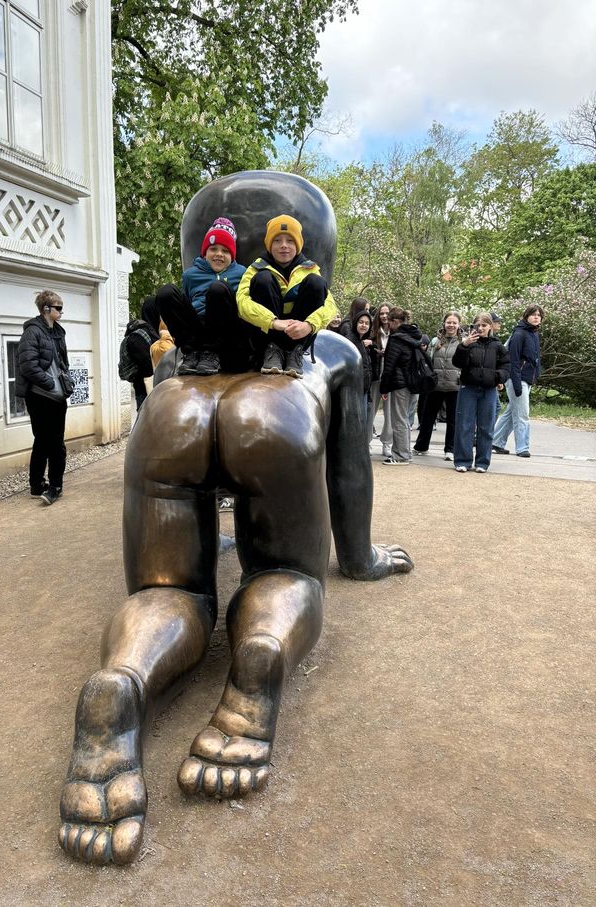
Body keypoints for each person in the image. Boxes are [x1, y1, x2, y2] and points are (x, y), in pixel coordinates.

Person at [57, 330, 413, 866]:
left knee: (168, 588)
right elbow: (348, 468)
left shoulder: (182, 349)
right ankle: (261, 648)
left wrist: (207, 539)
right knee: (284, 572)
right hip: (277, 415)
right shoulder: (336, 349)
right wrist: (362, 559)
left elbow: (200, 455)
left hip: (172, 413)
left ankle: (124, 677)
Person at [236, 215, 337, 378]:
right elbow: (242, 302)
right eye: (277, 241)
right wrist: (273, 322)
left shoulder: (310, 269)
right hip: (267, 333)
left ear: (297, 244)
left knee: (316, 283)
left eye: (290, 241)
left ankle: (294, 352)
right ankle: (272, 350)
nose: (284, 245)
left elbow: (330, 306)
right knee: (263, 279)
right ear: (269, 245)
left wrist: (309, 325)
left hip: (299, 334)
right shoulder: (256, 268)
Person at [156, 218, 249, 376]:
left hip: (227, 330)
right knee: (167, 293)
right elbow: (185, 306)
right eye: (213, 249)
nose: (219, 254)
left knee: (218, 289)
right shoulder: (190, 275)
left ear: (232, 255)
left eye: (225, 251)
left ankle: (213, 352)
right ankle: (191, 352)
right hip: (198, 328)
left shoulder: (242, 273)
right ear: (205, 252)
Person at [15, 290, 69, 505]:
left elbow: (62, 363)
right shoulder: (32, 332)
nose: (62, 311)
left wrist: (65, 382)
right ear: (46, 308)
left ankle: (40, 484)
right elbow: (28, 365)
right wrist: (50, 383)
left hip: (57, 397)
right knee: (49, 442)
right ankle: (53, 486)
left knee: (49, 441)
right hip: (40, 397)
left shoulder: (58, 332)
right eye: (58, 307)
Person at [451, 313, 510, 473]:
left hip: (488, 390)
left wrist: (498, 377)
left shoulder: (498, 346)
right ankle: (462, 461)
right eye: (478, 325)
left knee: (486, 427)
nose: (481, 328)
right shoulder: (468, 343)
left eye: (484, 325)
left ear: (490, 326)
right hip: (468, 388)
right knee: (464, 425)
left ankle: (482, 462)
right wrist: (464, 346)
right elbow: (457, 362)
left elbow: (506, 365)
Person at [492, 304, 543, 458]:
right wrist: (516, 383)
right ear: (526, 316)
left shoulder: (534, 333)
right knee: (522, 414)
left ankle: (495, 442)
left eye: (539, 315)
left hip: (527, 379)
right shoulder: (519, 334)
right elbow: (513, 361)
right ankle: (522, 447)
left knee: (512, 411)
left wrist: (536, 375)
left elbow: (535, 358)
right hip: (517, 379)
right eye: (533, 314)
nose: (536, 317)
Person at [412, 311, 463, 460]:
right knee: (427, 417)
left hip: (455, 386)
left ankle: (450, 449)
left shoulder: (463, 342)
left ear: (459, 325)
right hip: (436, 385)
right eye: (449, 322)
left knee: (453, 420)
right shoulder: (435, 341)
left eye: (454, 323)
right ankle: (421, 446)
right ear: (444, 323)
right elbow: (428, 360)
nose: (451, 325)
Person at [378, 307, 423, 465]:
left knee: (399, 420)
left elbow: (389, 366)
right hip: (412, 382)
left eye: (389, 322)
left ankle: (401, 455)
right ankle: (404, 452)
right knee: (404, 419)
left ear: (395, 321)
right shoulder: (414, 335)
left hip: (399, 383)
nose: (388, 325)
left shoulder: (396, 338)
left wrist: (384, 388)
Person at [368, 304, 393, 458]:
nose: (384, 316)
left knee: (389, 413)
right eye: (382, 313)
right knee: (370, 411)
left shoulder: (396, 332)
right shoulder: (373, 332)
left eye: (387, 313)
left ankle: (387, 443)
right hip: (375, 376)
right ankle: (367, 442)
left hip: (390, 378)